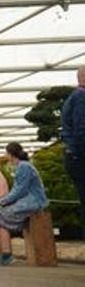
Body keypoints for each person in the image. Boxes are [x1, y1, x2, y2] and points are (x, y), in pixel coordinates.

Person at [0, 142, 49, 265]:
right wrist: (3, 201)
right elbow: (18, 190)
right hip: (28, 201)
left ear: (11, 154)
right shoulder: (23, 166)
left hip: (33, 202)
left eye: (6, 153)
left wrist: (3, 201)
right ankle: (6, 255)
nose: (6, 156)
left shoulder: (23, 167)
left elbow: (19, 190)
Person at [61, 66, 85, 239]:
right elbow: (81, 129)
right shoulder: (81, 97)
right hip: (79, 156)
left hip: (74, 156)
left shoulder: (75, 97)